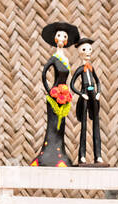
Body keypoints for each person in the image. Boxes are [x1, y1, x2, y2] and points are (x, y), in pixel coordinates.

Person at [32, 21, 79, 167]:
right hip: (55, 94)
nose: (61, 38)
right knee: (53, 123)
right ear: (55, 39)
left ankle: (59, 152)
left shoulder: (65, 59)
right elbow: (44, 73)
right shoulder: (54, 58)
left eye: (64, 36)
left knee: (61, 123)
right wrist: (49, 91)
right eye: (59, 35)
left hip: (64, 95)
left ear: (66, 41)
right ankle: (47, 154)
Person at [70, 38, 103, 165]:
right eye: (85, 49)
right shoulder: (80, 69)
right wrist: (81, 94)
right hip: (85, 95)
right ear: (79, 52)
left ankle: (98, 155)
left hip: (93, 95)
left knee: (96, 124)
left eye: (89, 49)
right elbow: (72, 85)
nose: (88, 51)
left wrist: (98, 92)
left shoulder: (92, 68)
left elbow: (98, 82)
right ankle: (82, 156)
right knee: (84, 125)